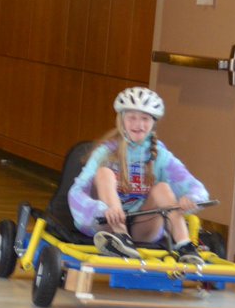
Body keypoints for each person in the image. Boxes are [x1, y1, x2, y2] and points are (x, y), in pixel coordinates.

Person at [68, 86, 210, 264]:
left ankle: (184, 245)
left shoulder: (160, 154)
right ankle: (121, 238)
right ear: (122, 120)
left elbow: (192, 185)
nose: (138, 124)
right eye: (132, 118)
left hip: (142, 227)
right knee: (104, 173)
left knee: (163, 188)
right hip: (106, 224)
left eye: (145, 118)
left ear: (153, 123)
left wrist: (192, 199)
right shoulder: (105, 152)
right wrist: (100, 210)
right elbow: (77, 191)